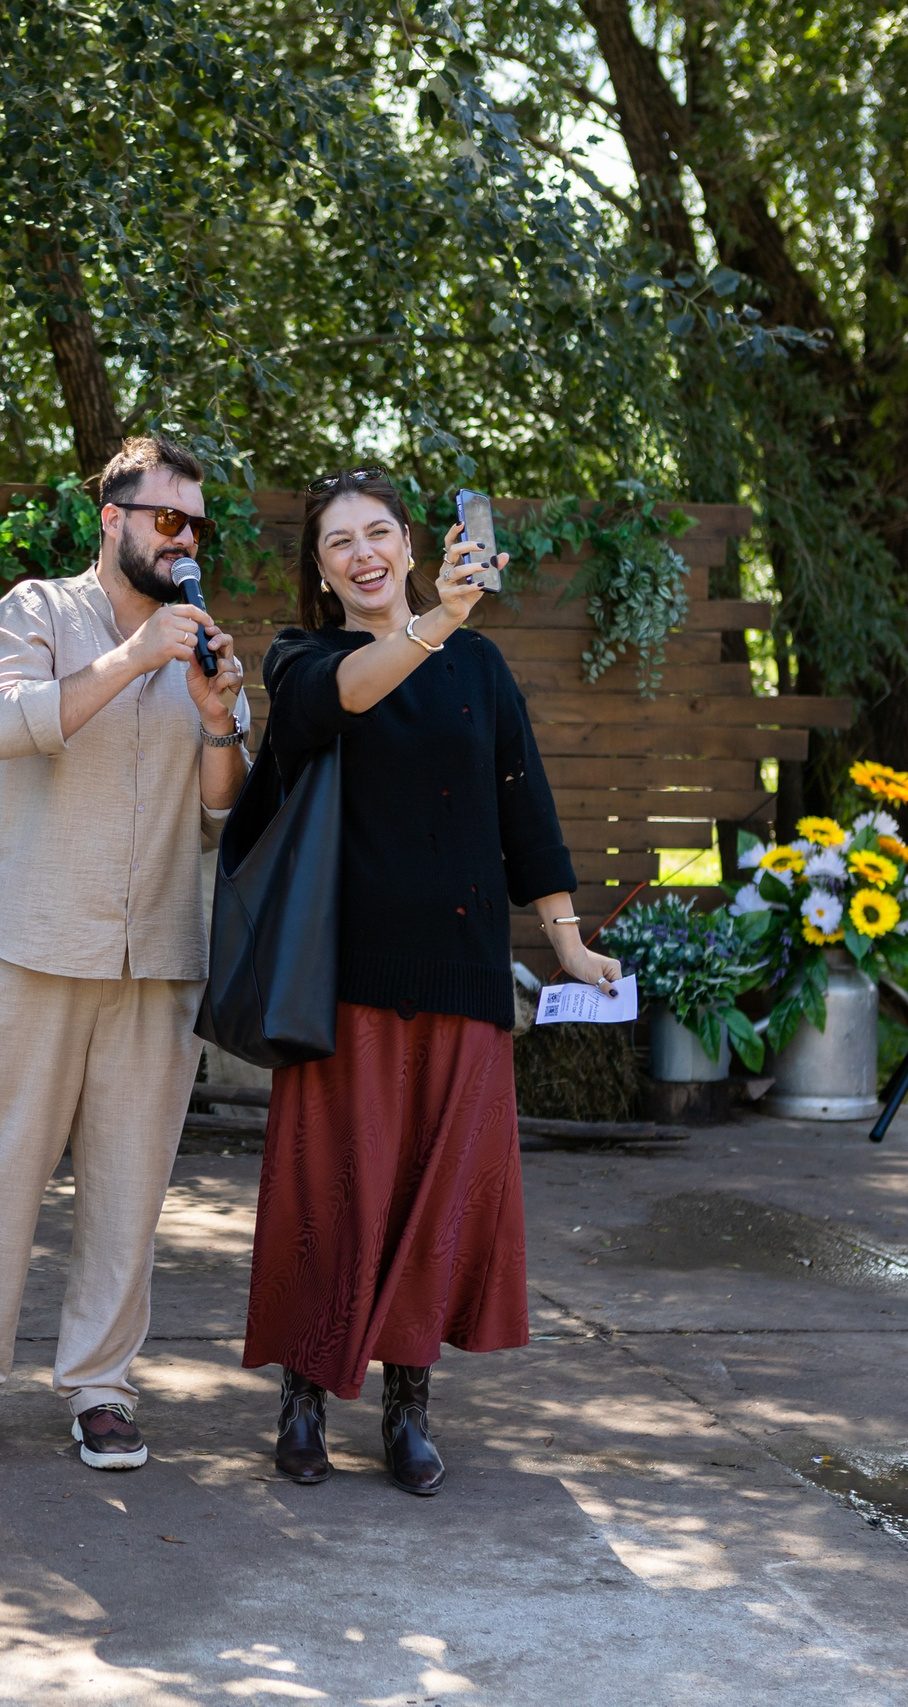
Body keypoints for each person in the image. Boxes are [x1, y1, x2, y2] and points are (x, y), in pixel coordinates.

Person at [244, 470, 621, 1494]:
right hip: (340, 979)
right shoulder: (302, 660)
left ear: (408, 544)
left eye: (377, 533)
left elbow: (523, 808)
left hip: (459, 973)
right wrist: (435, 624)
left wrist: (568, 943)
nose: (362, 554)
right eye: (337, 544)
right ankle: (303, 1398)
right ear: (319, 573)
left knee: (433, 1201)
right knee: (332, 1197)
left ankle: (409, 1408)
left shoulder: (480, 667)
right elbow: (343, 700)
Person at [0, 435, 250, 1470]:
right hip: (30, 945)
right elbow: (3, 726)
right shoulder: (34, 612)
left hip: (157, 958)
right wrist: (132, 657)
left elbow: (222, 817)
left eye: (195, 524)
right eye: (165, 518)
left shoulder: (206, 650)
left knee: (129, 1189)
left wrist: (216, 718)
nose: (182, 538)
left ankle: (101, 1386)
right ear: (112, 519)